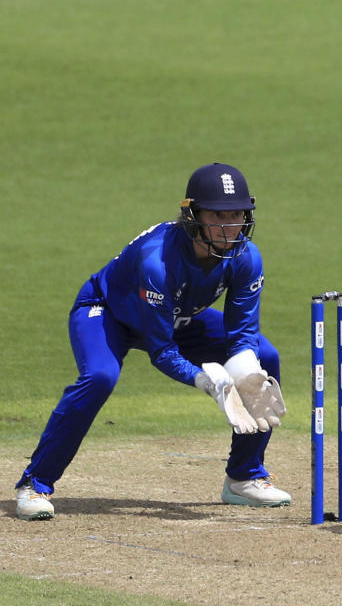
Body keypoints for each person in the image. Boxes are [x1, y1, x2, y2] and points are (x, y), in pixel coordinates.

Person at [15, 163, 290, 521]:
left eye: (238, 214)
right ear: (193, 216)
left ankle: (244, 476)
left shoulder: (246, 257)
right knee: (99, 377)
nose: (229, 226)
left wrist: (246, 373)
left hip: (177, 314)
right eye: (218, 215)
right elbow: (162, 350)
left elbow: (242, 336)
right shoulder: (157, 262)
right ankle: (33, 484)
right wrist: (208, 382)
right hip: (108, 311)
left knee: (265, 356)